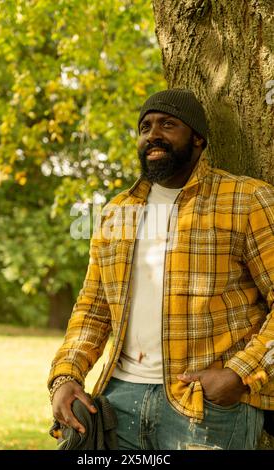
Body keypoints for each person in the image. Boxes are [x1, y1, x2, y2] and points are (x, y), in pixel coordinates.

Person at [48, 89, 274, 450]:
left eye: (168, 124)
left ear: (198, 139)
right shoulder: (116, 212)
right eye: (145, 126)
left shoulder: (246, 200)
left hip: (204, 406)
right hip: (118, 403)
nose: (153, 134)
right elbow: (92, 310)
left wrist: (239, 374)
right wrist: (64, 376)